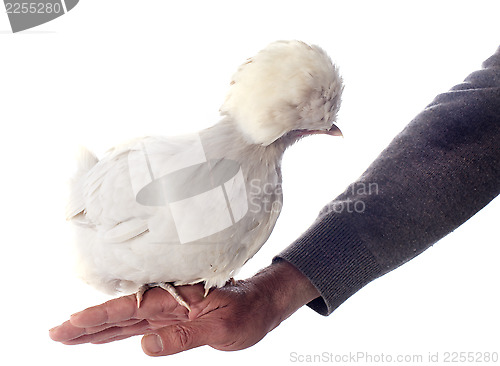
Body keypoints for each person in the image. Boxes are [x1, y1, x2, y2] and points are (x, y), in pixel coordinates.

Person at [49, 45, 500, 357]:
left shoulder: (265, 197)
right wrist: (274, 294)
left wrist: (275, 293)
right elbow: (475, 128)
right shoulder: (157, 170)